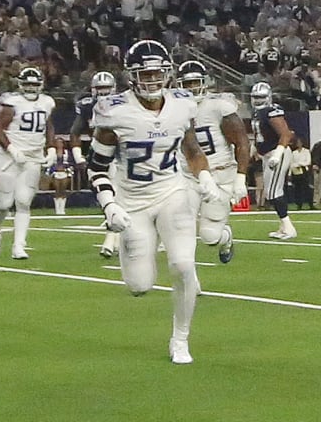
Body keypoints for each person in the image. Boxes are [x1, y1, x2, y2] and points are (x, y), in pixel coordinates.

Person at [86, 40, 223, 365]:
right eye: (144, 74)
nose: (151, 80)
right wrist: (109, 204)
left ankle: (180, 340)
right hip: (131, 202)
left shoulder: (182, 104)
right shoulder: (114, 110)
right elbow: (96, 165)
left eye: (157, 73)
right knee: (139, 285)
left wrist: (204, 177)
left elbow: (192, 150)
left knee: (183, 265)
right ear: (132, 76)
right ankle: (127, 248)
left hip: (172, 192)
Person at [176, 60, 249, 263]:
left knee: (210, 236)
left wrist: (240, 179)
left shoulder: (219, 106)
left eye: (195, 83)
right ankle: (189, 281)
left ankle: (225, 238)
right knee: (182, 229)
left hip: (220, 173)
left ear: (205, 83)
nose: (191, 89)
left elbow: (242, 142)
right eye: (187, 84)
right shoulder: (173, 108)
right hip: (187, 175)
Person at [0, 65, 55, 259]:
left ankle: (19, 246)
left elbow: (48, 126)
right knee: (4, 202)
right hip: (10, 156)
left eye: (34, 85)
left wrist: (50, 148)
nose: (31, 89)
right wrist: (11, 148)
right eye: (27, 85)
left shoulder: (47, 102)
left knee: (24, 201)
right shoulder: (11, 102)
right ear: (20, 85)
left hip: (33, 156)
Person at [71, 71, 122, 258]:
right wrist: (78, 157)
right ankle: (115, 236)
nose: (103, 93)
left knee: (116, 196)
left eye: (106, 89)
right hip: (98, 156)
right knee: (105, 195)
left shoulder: (123, 105)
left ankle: (111, 240)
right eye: (99, 89)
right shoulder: (86, 106)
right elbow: (75, 132)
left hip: (121, 156)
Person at [249, 81, 297, 240]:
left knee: (274, 192)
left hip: (277, 153)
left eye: (261, 97)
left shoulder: (272, 111)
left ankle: (289, 228)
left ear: (268, 97)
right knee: (271, 192)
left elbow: (286, 134)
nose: (257, 101)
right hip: (268, 154)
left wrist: (278, 153)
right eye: (255, 97)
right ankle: (283, 227)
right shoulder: (257, 113)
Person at [44, 136, 77, 215]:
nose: (59, 144)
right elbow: (49, 162)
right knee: (57, 190)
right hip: (55, 173)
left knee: (63, 190)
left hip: (65, 173)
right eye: (57, 142)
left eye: (60, 142)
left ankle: (62, 209)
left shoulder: (67, 152)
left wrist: (67, 170)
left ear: (63, 144)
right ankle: (57, 209)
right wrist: (52, 171)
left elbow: (71, 162)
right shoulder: (52, 152)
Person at [288, 137, 313, 210]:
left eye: (300, 142)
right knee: (297, 189)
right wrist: (289, 174)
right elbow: (291, 163)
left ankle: (310, 204)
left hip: (304, 171)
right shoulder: (294, 153)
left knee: (307, 189)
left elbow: (308, 162)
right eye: (297, 142)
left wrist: (299, 164)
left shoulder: (306, 151)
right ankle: (299, 204)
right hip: (296, 172)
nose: (298, 144)